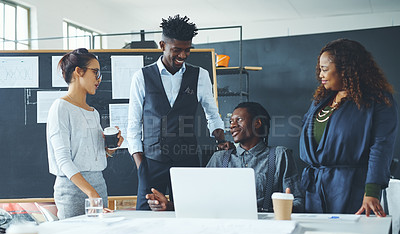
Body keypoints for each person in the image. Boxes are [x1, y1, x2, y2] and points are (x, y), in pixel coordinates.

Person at [127, 15, 231, 210]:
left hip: (187, 159)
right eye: (177, 50)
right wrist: (142, 168)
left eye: (187, 50)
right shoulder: (141, 77)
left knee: (189, 211)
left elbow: (212, 113)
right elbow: (133, 125)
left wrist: (220, 138)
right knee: (146, 216)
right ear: (162, 45)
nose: (183, 56)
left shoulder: (200, 75)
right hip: (152, 161)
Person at [299, 38, 398, 216]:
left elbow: (381, 146)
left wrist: (372, 192)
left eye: (325, 69)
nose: (320, 75)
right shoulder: (321, 100)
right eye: (319, 69)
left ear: (345, 70)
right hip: (314, 189)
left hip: (352, 188)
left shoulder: (377, 100)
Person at [146, 102, 304, 213]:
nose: (232, 125)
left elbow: (298, 201)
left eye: (239, 120)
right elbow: (200, 201)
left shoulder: (279, 156)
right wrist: (170, 205)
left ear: (257, 123)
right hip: (225, 227)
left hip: (265, 228)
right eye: (230, 121)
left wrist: (286, 205)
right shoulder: (219, 158)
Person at [46, 48, 123, 219]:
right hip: (72, 191)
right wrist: (91, 192)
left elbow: (93, 156)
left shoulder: (93, 112)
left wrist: (110, 150)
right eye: (95, 72)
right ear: (78, 71)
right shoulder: (60, 107)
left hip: (98, 185)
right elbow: (63, 160)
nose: (99, 79)